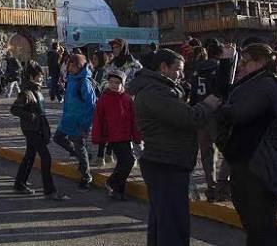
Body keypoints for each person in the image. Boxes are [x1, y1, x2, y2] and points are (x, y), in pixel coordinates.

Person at [127, 48, 221, 246]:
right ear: (163, 67)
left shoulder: (157, 88)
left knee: (163, 221)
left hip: (164, 160)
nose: (181, 74)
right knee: (172, 224)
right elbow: (188, 118)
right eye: (178, 69)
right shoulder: (155, 92)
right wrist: (208, 104)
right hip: (166, 162)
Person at [217, 43, 277, 246]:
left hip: (259, 163)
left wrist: (216, 109)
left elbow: (238, 113)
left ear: (260, 62)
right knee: (256, 222)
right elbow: (226, 94)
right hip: (248, 160)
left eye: (244, 62)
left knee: (258, 225)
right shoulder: (254, 82)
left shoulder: (265, 84)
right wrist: (226, 62)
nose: (241, 66)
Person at [11, 61, 69, 201]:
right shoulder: (26, 92)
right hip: (32, 129)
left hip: (38, 128)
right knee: (46, 157)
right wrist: (30, 116)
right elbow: (14, 109)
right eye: (39, 76)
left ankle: (19, 183)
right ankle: (49, 191)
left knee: (30, 156)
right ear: (31, 76)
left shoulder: (36, 90)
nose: (41, 78)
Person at [187, 41, 235, 202]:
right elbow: (224, 89)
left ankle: (210, 185)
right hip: (217, 114)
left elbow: (193, 93)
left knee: (206, 153)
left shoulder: (197, 69)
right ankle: (223, 185)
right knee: (228, 150)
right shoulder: (219, 67)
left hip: (201, 112)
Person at [91, 69, 141, 200]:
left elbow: (133, 119)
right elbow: (98, 119)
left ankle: (118, 192)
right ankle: (111, 182)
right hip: (114, 136)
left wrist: (137, 136)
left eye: (117, 82)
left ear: (122, 84)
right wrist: (98, 137)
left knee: (123, 163)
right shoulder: (104, 99)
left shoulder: (127, 98)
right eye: (111, 82)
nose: (114, 85)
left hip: (126, 135)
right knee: (128, 161)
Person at [53, 54, 97, 191]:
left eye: (71, 65)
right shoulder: (72, 79)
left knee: (80, 146)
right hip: (68, 119)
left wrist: (85, 125)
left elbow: (91, 106)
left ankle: (86, 176)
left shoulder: (84, 82)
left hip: (78, 121)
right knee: (58, 138)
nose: (68, 67)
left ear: (79, 66)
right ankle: (79, 155)